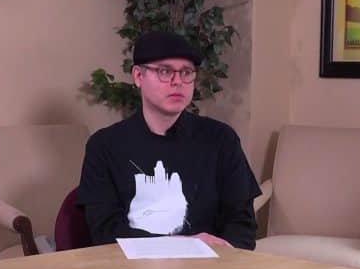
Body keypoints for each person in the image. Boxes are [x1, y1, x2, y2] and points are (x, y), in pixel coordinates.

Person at [78, 30, 260, 249]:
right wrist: (181, 246)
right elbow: (104, 233)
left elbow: (242, 224)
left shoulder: (221, 140)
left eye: (186, 72)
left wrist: (226, 258)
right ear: (138, 76)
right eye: (165, 71)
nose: (177, 82)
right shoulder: (104, 146)